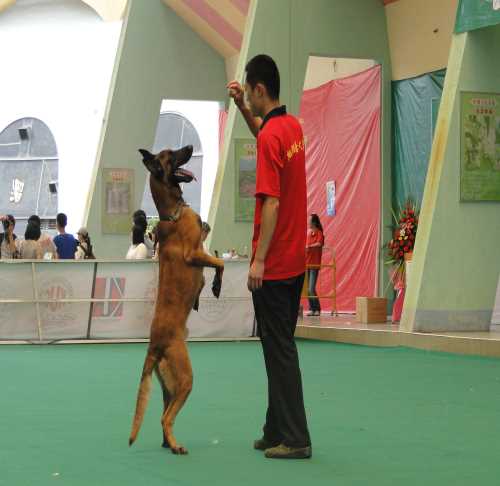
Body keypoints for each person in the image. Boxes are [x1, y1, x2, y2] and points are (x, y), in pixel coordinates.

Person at [228, 54, 311, 459]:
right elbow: (264, 132)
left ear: (260, 89)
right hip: (296, 260)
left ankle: (296, 438)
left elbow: (272, 204)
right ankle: (275, 427)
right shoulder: (290, 127)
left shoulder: (273, 137)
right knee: (276, 345)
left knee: (279, 349)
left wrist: (258, 261)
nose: (247, 95)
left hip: (275, 265)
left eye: (248, 91)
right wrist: (242, 109)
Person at [306, 214, 325, 316]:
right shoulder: (308, 233)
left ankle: (317, 308)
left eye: (309, 221)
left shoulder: (319, 233)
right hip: (307, 263)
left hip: (314, 264)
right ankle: (312, 309)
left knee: (311, 288)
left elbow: (319, 244)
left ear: (314, 222)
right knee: (308, 289)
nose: (308, 222)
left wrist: (309, 246)